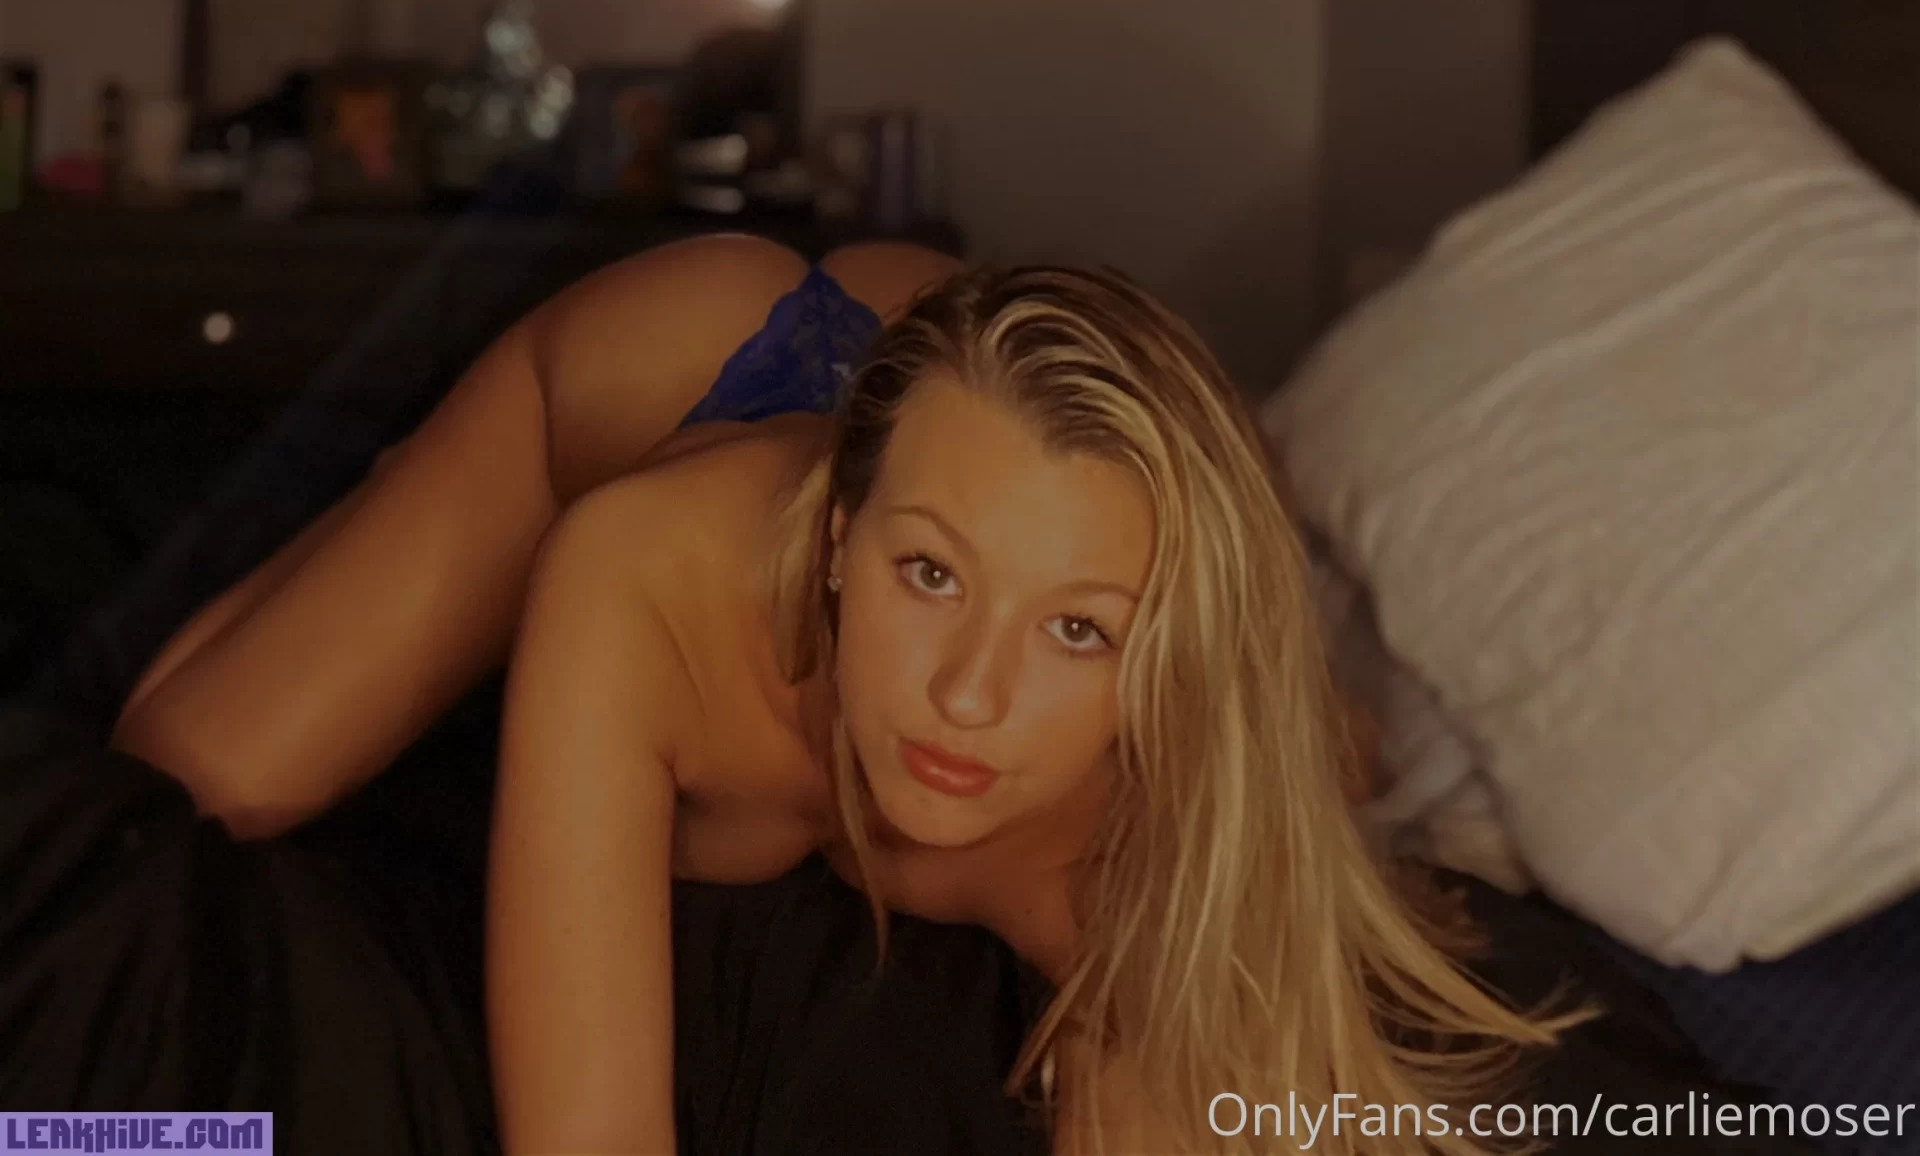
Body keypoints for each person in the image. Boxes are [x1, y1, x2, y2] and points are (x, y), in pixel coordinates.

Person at [11, 236, 1563, 1151]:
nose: (969, 699)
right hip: (679, 365)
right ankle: (408, 477)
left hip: (962, 413)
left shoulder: (1147, 790)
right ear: (836, 546)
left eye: (1080, 635)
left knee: (1314, 758)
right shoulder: (641, 572)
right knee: (194, 777)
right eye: (925, 580)